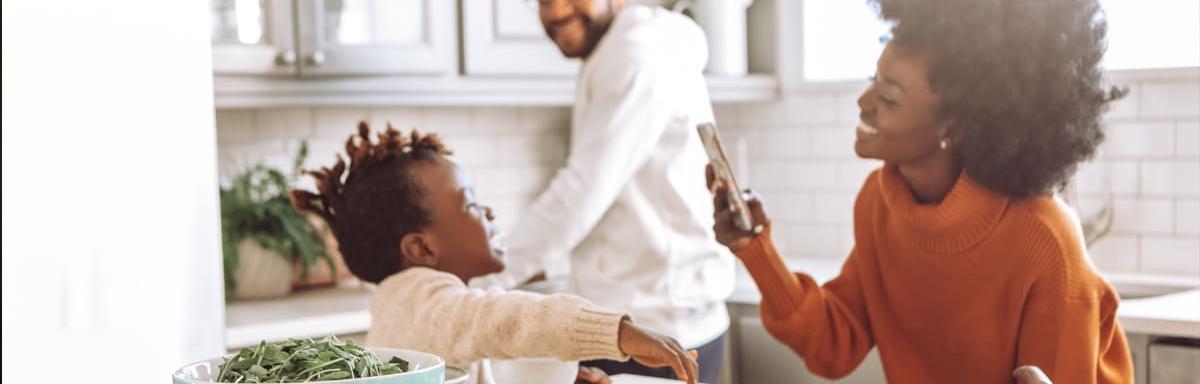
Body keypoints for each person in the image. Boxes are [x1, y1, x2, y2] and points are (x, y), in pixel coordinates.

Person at [706, 0, 1135, 382]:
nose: (863, 102)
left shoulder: (1044, 243)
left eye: (888, 98)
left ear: (953, 127)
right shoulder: (880, 202)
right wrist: (754, 249)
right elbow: (835, 345)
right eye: (873, 81)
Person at [290, 122, 699, 384]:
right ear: (421, 247)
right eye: (470, 204)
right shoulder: (427, 303)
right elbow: (506, 319)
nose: (488, 212)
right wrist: (616, 333)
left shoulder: (410, 303)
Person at [472, 0, 735, 382]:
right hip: (661, 313)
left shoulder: (634, 55)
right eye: (544, 0)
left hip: (650, 325)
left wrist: (476, 283)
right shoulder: (627, 46)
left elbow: (580, 194)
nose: (557, 11)